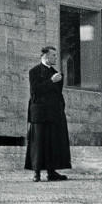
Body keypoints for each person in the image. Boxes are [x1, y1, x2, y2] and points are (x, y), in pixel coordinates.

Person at [24, 46, 72, 182]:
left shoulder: (55, 73)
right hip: (39, 114)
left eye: (56, 56)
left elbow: (58, 94)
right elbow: (35, 91)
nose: (56, 58)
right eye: (53, 56)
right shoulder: (34, 71)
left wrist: (61, 107)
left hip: (53, 114)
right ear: (45, 56)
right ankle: (36, 173)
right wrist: (51, 81)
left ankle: (52, 172)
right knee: (38, 143)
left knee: (52, 142)